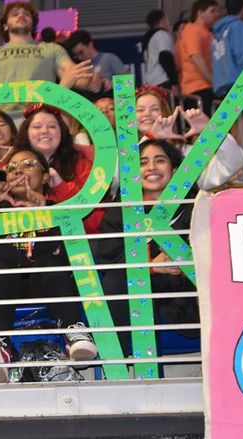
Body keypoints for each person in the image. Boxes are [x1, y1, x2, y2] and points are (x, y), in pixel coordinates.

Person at [0, 149, 98, 383]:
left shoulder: (60, 210)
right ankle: (1, 347)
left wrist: (45, 215)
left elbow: (78, 251)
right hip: (4, 287)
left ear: (45, 177)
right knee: (2, 267)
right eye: (11, 168)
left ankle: (75, 332)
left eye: (28, 164)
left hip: (49, 285)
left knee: (50, 262)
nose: (18, 170)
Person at [96, 139, 200, 355]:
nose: (151, 168)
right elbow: (108, 258)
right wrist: (151, 266)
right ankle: (121, 363)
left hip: (187, 288)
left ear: (174, 168)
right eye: (143, 163)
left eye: (160, 160)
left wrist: (185, 261)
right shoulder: (120, 210)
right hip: (141, 284)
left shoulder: (197, 206)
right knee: (116, 280)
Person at [0, 2, 94, 119]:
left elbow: (73, 74)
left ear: (33, 23)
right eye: (14, 14)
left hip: (40, 117)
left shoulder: (51, 49)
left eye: (26, 14)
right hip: (5, 121)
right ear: (5, 25)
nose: (21, 16)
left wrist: (90, 81)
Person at [13, 103, 102, 233]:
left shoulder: (82, 163)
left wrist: (61, 186)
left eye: (52, 126)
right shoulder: (12, 166)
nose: (44, 131)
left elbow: (94, 221)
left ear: (62, 132)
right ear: (26, 132)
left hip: (74, 243)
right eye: (37, 126)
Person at [135, 85, 243, 190]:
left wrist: (213, 131)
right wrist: (151, 138)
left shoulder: (185, 153)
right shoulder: (121, 156)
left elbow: (233, 164)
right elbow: (123, 178)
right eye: (140, 110)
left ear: (165, 113)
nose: (147, 114)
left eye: (154, 109)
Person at [212, 0, 243, 149]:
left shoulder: (218, 32)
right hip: (241, 83)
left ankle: (236, 169)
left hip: (222, 86)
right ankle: (241, 168)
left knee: (232, 130)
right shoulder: (238, 26)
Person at [176, 0, 219, 115]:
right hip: (199, 89)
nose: (217, 14)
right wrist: (214, 82)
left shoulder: (206, 32)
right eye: (212, 11)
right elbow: (196, 57)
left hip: (206, 87)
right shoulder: (192, 31)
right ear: (200, 13)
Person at [142, 10, 179, 94]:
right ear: (163, 20)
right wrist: (174, 82)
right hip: (162, 80)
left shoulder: (148, 39)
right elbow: (165, 57)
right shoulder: (161, 34)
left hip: (150, 82)